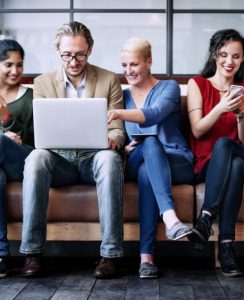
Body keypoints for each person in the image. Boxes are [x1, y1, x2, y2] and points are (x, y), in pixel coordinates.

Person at [19, 21, 125, 279]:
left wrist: (114, 140)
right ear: (58, 52)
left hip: (95, 158)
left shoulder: (109, 79)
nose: (74, 61)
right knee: (36, 158)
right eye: (67, 54)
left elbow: (118, 129)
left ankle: (109, 254)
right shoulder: (42, 83)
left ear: (89, 49)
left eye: (80, 54)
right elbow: (43, 131)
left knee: (110, 160)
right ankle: (32, 252)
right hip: (60, 160)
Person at [108, 37, 194, 278]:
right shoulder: (121, 95)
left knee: (150, 150)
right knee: (147, 149)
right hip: (135, 160)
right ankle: (171, 219)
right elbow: (118, 136)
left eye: (134, 64)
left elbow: (154, 115)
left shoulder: (169, 88)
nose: (128, 71)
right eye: (124, 65)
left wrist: (117, 113)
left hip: (176, 160)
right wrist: (123, 149)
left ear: (149, 62)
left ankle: (146, 259)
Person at [186, 29, 244, 276]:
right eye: (224, 54)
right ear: (215, 55)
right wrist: (219, 108)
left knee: (230, 147)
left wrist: (239, 115)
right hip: (208, 162)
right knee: (228, 157)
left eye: (236, 56)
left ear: (243, 58)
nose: (229, 61)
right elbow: (197, 131)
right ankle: (227, 247)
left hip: (242, 155)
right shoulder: (198, 84)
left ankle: (205, 218)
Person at [0, 39, 34, 278]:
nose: (15, 71)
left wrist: (7, 124)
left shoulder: (30, 97)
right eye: (8, 64)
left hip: (23, 161)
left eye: (19, 65)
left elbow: (39, 144)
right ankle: (2, 253)